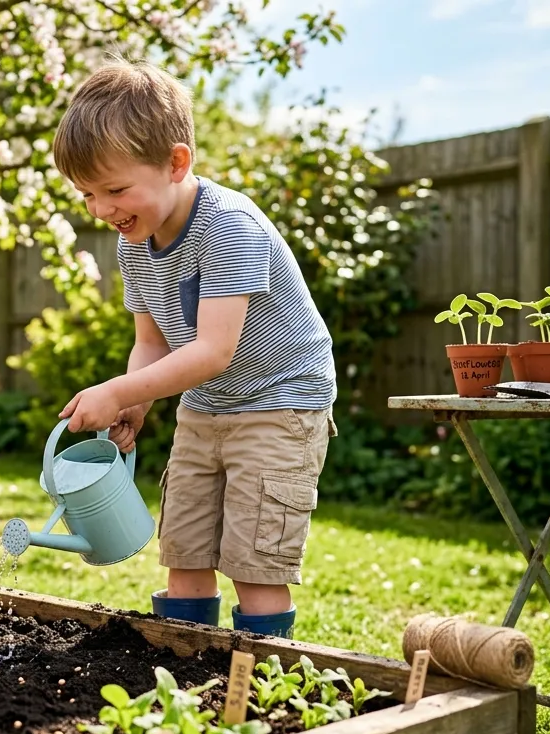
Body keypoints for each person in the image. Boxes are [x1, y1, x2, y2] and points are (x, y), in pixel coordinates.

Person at [49, 59, 337, 639]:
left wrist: (116, 392)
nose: (101, 210)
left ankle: (257, 686)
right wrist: (137, 405)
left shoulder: (229, 226)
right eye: (87, 195)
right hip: (205, 406)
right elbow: (150, 344)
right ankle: (184, 676)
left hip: (280, 404)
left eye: (114, 189)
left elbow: (212, 352)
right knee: (184, 553)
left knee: (254, 565)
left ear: (176, 163)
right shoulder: (135, 241)